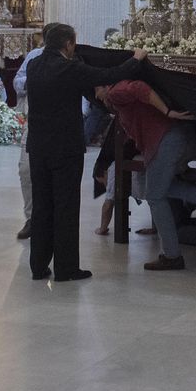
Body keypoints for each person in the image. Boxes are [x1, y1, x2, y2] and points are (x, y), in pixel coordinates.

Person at [25, 23, 145, 282]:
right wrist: (136, 59)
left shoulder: (34, 66)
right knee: (66, 206)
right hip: (65, 148)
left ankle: (38, 265)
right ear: (69, 44)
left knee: (42, 205)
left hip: (38, 147)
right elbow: (111, 73)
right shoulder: (69, 68)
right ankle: (66, 268)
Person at [109, 80, 196, 271]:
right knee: (156, 188)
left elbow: (139, 88)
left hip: (167, 141)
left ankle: (172, 255)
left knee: (155, 196)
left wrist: (166, 111)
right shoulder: (118, 104)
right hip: (180, 138)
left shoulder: (114, 92)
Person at [12, 36, 45, 240]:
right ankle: (31, 218)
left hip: (58, 126)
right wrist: (34, 79)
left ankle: (49, 219)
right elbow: (17, 81)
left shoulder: (71, 60)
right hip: (33, 124)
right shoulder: (34, 56)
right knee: (26, 171)